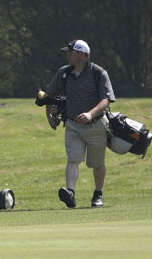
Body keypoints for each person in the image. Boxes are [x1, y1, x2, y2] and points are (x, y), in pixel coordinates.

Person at [44, 40, 115, 208]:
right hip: (73, 125)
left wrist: (91, 114)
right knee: (73, 159)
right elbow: (49, 95)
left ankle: (98, 194)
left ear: (83, 55)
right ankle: (70, 193)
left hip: (97, 125)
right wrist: (49, 116)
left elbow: (106, 100)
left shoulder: (98, 73)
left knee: (97, 163)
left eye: (71, 53)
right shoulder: (64, 72)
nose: (68, 56)